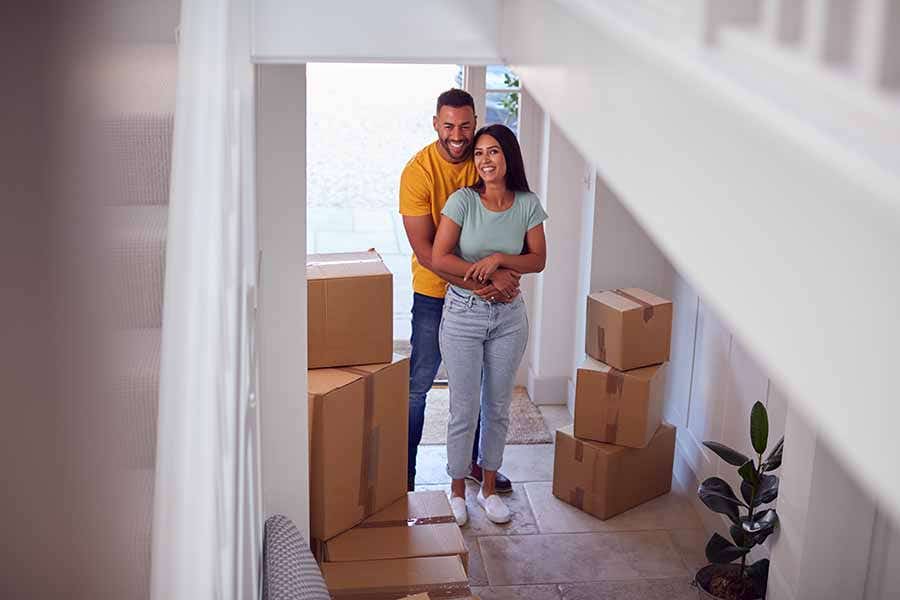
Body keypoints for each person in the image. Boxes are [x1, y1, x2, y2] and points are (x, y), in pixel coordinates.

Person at [399, 89, 519, 494]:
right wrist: (486, 280)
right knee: (419, 385)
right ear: (435, 123)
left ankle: (476, 466)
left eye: (465, 126)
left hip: (485, 295)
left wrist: (505, 270)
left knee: (487, 384)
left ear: (474, 122)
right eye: (448, 126)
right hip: (435, 293)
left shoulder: (483, 159)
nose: (457, 135)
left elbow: (509, 217)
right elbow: (428, 253)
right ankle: (404, 480)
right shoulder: (418, 172)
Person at [432, 124, 548, 525]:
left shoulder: (527, 203)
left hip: (509, 318)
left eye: (493, 151)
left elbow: (537, 259)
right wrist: (484, 280)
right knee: (464, 409)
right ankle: (457, 491)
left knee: (498, 408)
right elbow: (439, 258)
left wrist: (499, 259)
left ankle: (488, 490)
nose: (484, 159)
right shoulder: (462, 201)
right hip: (463, 313)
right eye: (479, 153)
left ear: (508, 156)